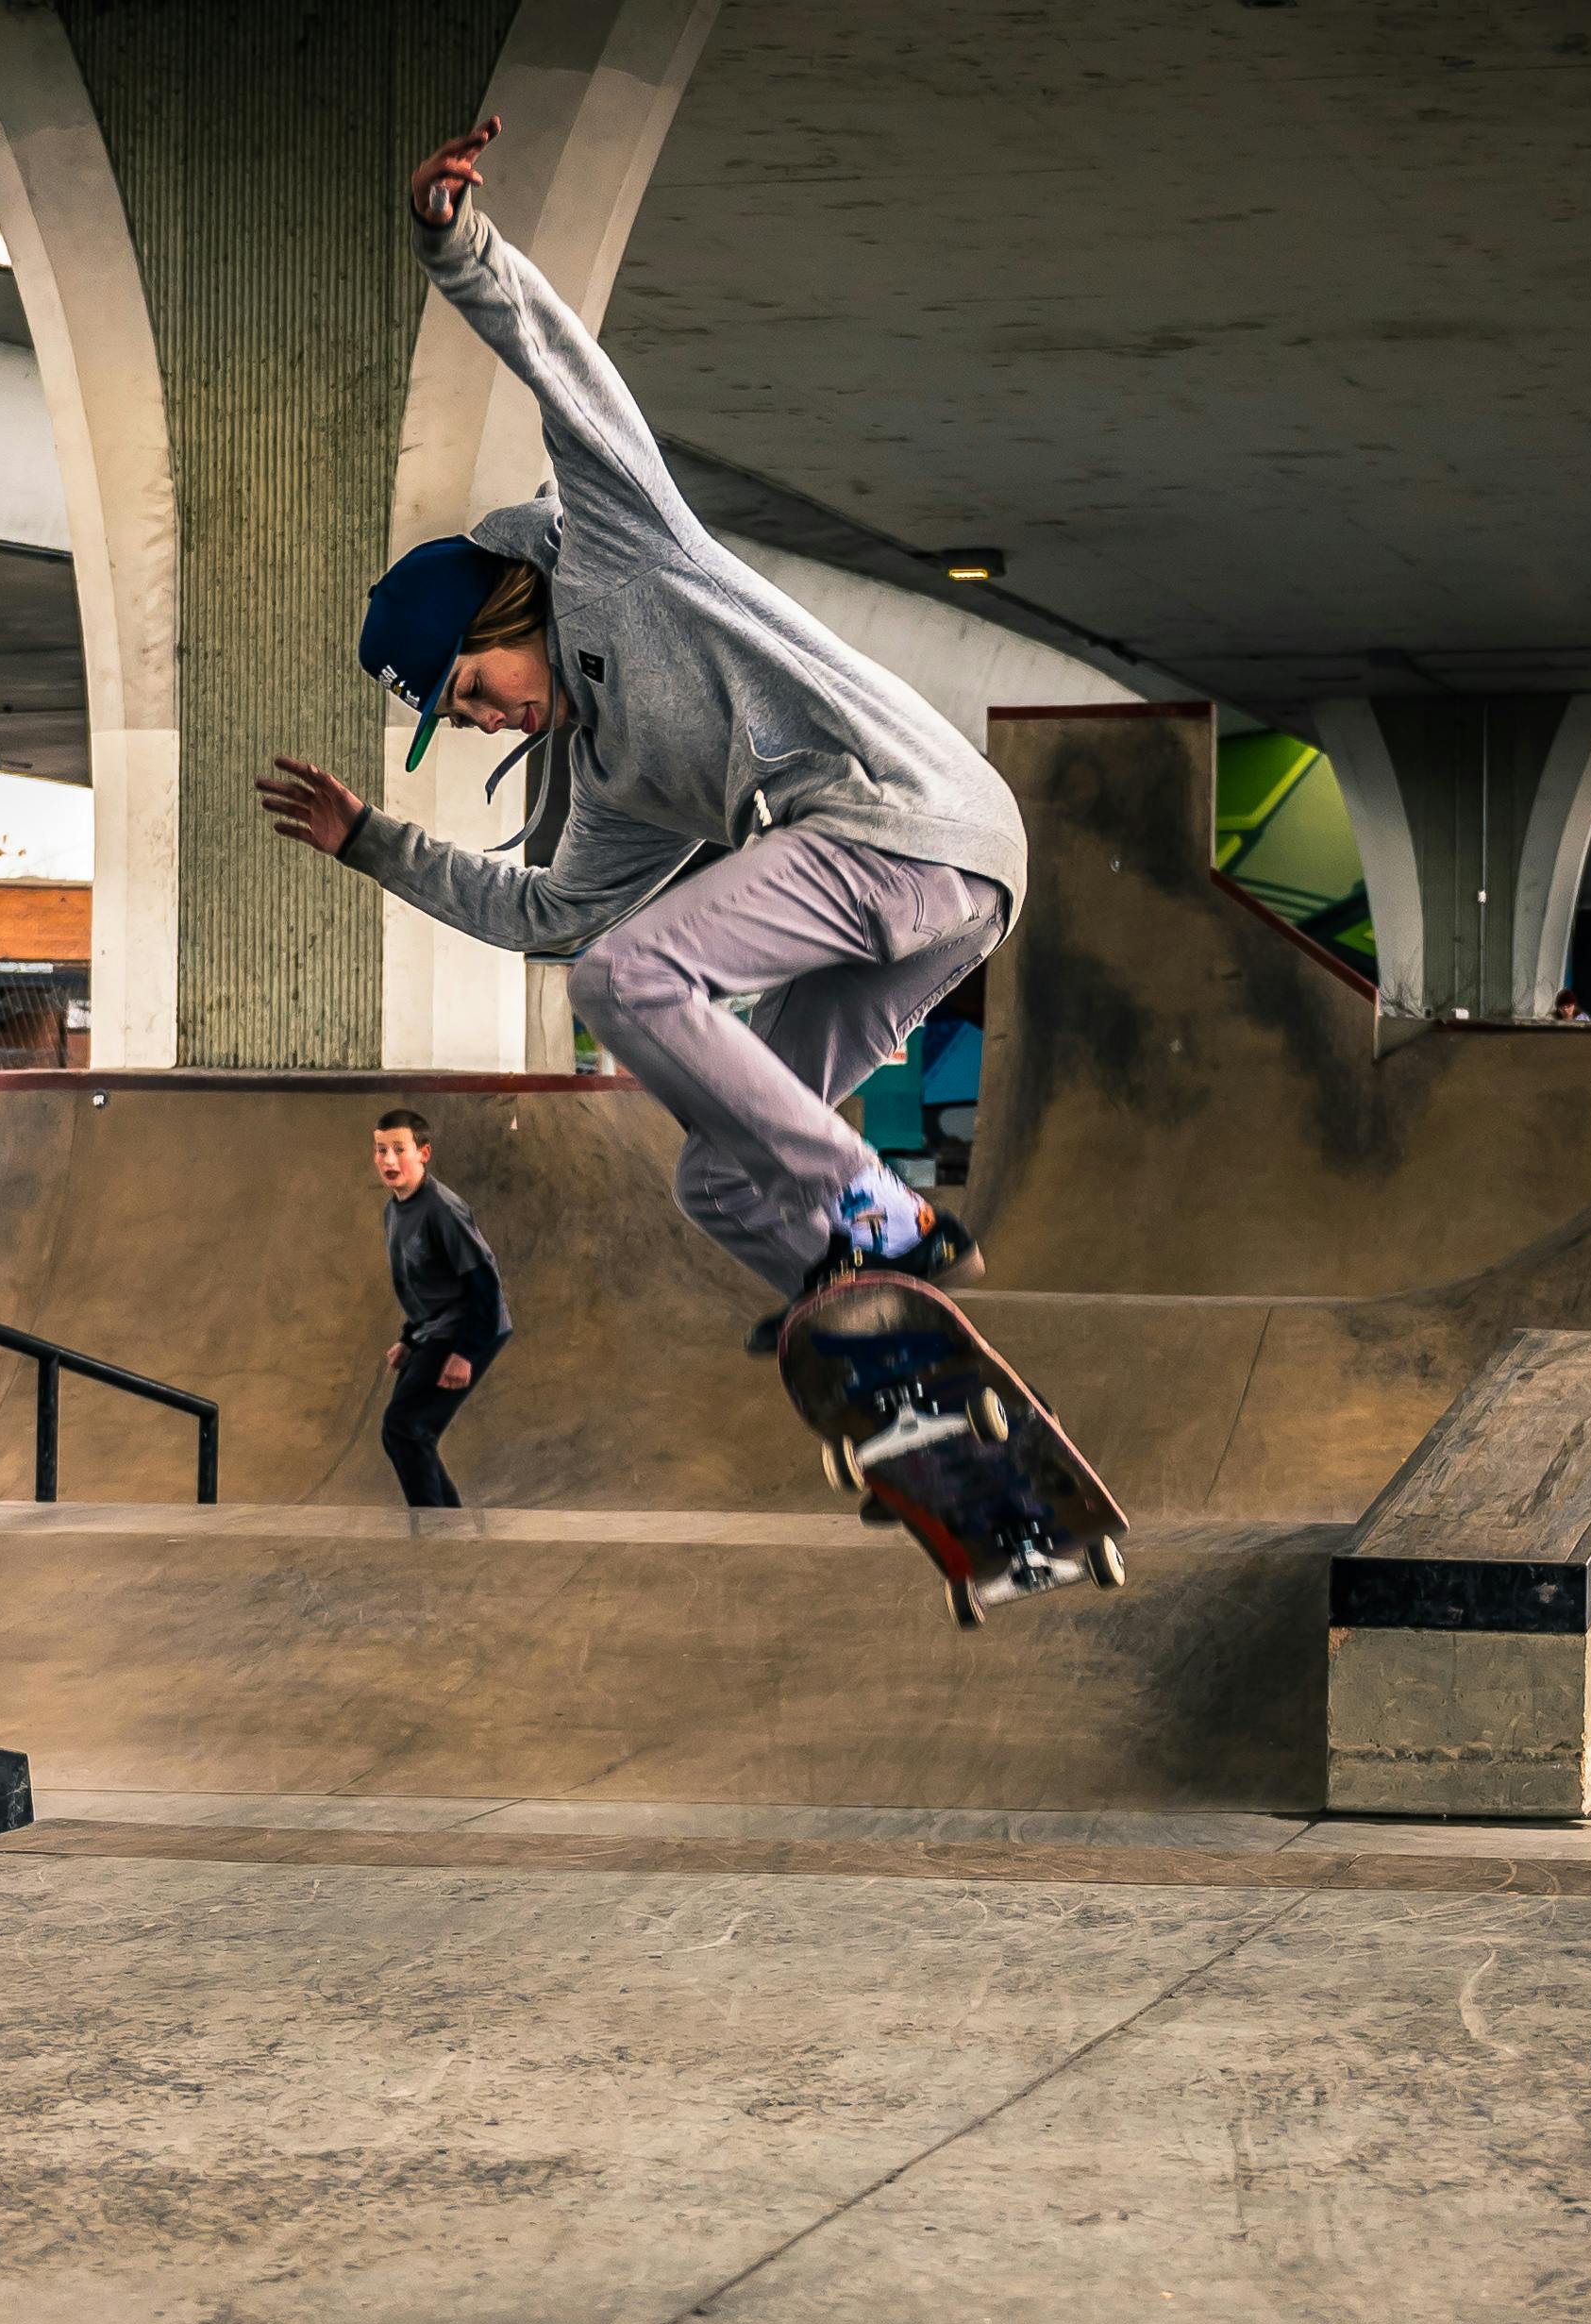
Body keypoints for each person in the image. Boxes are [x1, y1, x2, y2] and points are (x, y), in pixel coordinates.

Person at [257, 117, 1024, 1350]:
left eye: (469, 688)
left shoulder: (620, 553)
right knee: (716, 1176)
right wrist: (372, 843)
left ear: (503, 605)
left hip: (905, 817)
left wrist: (455, 246)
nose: (486, 718)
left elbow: (564, 375)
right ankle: (886, 1350)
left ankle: (881, 1213)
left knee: (633, 978)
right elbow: (543, 916)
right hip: (936, 903)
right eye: (462, 719)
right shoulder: (613, 775)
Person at [372, 1108, 508, 1509]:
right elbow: (427, 1287)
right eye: (381, 1150)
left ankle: (435, 1534)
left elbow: (484, 1282)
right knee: (409, 1430)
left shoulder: (443, 1209)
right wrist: (409, 1339)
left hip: (470, 1326)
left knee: (405, 1427)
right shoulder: (394, 1209)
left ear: (424, 1153)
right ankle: (446, 1527)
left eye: (400, 1149)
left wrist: (466, 1352)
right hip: (435, 1328)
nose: (389, 1161)